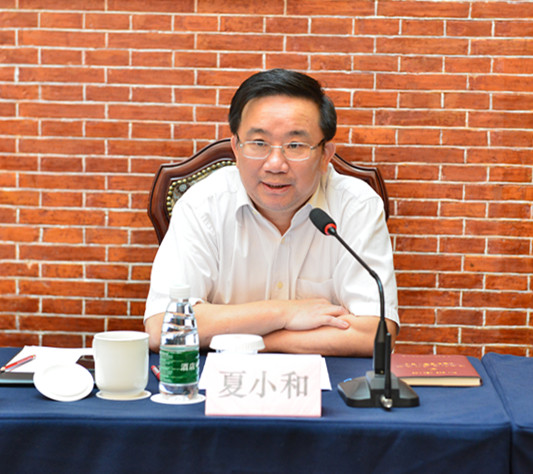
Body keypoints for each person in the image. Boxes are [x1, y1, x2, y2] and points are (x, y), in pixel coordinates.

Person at [144, 68, 399, 356]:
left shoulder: (356, 206)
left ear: (325, 155)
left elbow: (374, 333)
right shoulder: (202, 205)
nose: (275, 164)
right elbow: (164, 327)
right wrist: (285, 312)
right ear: (236, 148)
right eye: (259, 143)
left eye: (295, 145)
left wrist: (256, 341)